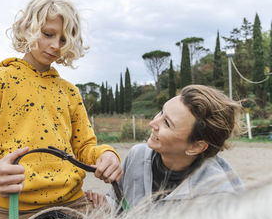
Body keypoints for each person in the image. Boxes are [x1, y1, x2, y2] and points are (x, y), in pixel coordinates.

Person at [0, 0, 122, 219]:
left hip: (73, 202)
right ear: (26, 29)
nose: (56, 45)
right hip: (12, 206)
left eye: (64, 39)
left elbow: (85, 147)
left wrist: (107, 155)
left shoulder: (70, 92)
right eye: (48, 34)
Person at [87, 84, 244, 209]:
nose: (152, 123)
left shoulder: (218, 196)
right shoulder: (137, 155)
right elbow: (118, 203)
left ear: (196, 147)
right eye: (161, 112)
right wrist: (106, 206)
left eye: (167, 123)